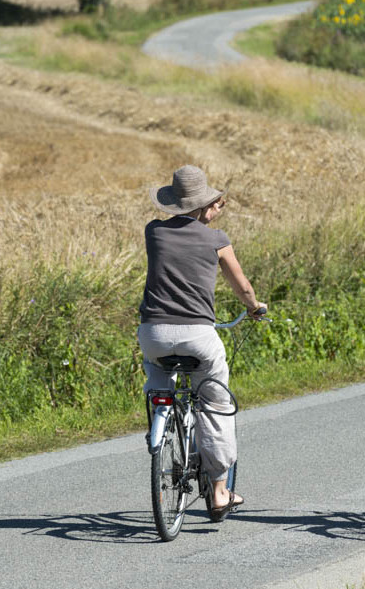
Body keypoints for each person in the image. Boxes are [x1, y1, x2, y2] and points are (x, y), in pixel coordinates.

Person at [138, 165, 266, 521]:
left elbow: (183, 228)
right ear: (205, 204)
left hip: (154, 334)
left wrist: (206, 209)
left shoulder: (154, 232)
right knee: (216, 405)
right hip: (198, 335)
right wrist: (254, 307)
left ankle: (161, 423)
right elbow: (242, 287)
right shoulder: (216, 239)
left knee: (157, 380)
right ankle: (221, 491)